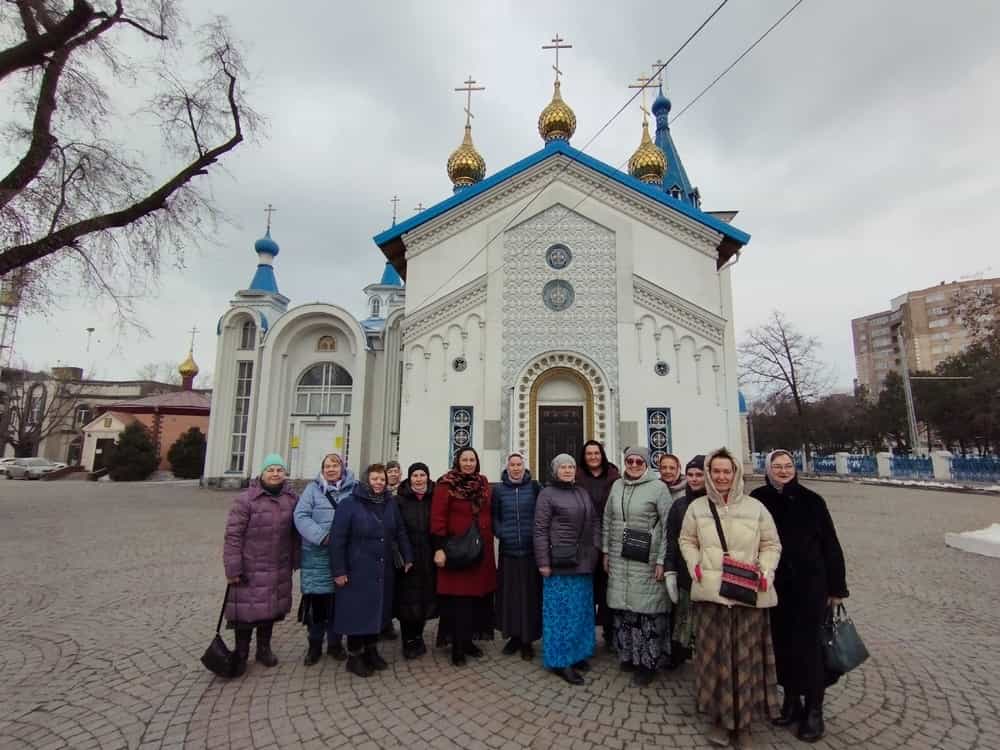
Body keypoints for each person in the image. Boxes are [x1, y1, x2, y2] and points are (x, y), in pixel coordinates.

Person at [679, 448, 782, 749]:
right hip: (712, 593)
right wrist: (694, 563)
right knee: (714, 659)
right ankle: (720, 718)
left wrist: (767, 570)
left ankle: (745, 723)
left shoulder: (755, 507)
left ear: (736, 473)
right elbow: (687, 539)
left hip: (747, 594)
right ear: (709, 474)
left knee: (746, 659)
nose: (721, 477)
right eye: (716, 472)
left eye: (727, 471)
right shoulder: (698, 507)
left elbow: (771, 543)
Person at [750, 450, 849, 743]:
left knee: (810, 649)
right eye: (777, 466)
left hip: (809, 586)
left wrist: (837, 588)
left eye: (788, 466)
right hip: (775, 586)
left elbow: (830, 544)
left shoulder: (812, 501)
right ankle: (791, 701)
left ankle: (815, 710)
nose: (783, 471)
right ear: (768, 469)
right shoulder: (759, 499)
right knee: (782, 645)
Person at [329, 463, 413, 677]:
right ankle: (355, 656)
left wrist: (407, 556)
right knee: (358, 613)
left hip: (382, 569)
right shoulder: (349, 504)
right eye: (375, 479)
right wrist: (339, 570)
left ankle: (371, 650)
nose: (379, 483)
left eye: (382, 480)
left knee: (378, 611)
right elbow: (338, 540)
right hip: (357, 569)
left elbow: (400, 531)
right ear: (367, 481)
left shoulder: (390, 504)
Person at [222, 453, 300, 676]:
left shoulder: (291, 499)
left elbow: (295, 532)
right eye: (271, 470)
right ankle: (241, 651)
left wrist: (296, 558)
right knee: (245, 611)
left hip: (277, 564)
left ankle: (264, 648)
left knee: (270, 608)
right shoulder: (246, 500)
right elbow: (233, 535)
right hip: (251, 565)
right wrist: (233, 567)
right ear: (262, 473)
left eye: (279, 470)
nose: (275, 474)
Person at [602, 446, 672, 686]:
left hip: (648, 557)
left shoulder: (658, 488)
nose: (633, 465)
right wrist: (606, 551)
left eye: (638, 461)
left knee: (647, 610)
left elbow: (667, 525)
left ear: (646, 463)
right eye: (629, 460)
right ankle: (629, 655)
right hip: (621, 556)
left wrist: (662, 559)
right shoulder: (617, 486)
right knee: (626, 608)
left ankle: (648, 662)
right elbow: (608, 519)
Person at [534, 453, 600, 685]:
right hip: (560, 562)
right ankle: (561, 661)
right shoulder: (547, 494)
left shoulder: (581, 491)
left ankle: (578, 653)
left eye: (571, 466)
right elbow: (540, 530)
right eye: (563, 466)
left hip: (583, 561)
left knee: (581, 611)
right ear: (554, 470)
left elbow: (594, 522)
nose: (568, 470)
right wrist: (543, 562)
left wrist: (596, 548)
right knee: (561, 614)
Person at [431, 447, 497, 666]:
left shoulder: (483, 482)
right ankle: (457, 647)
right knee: (459, 601)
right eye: (464, 460)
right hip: (457, 550)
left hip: (481, 550)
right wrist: (439, 548)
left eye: (472, 460)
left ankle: (468, 641)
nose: (469, 463)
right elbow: (438, 517)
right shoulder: (446, 484)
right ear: (457, 461)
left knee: (476, 600)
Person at [293, 453, 356, 665]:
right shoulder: (312, 489)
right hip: (317, 555)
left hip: (344, 555)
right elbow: (301, 516)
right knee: (318, 605)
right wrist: (322, 536)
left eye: (335, 465)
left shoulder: (353, 488)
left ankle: (335, 644)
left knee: (339, 603)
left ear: (342, 468)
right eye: (327, 466)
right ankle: (314, 645)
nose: (331, 469)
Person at [492, 452, 543, 660]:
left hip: (530, 552)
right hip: (509, 551)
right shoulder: (499, 490)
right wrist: (501, 532)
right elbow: (494, 515)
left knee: (529, 596)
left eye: (519, 464)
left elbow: (541, 514)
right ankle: (513, 636)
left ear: (524, 466)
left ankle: (527, 640)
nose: (515, 468)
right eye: (512, 465)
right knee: (510, 596)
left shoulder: (534, 488)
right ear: (507, 467)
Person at [575, 440, 620, 650]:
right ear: (584, 457)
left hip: (609, 538)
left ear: (602, 454)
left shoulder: (614, 477)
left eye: (596, 453)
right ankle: (585, 637)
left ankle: (611, 633)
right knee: (586, 588)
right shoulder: (577, 477)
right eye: (589, 453)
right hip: (584, 541)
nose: (593, 457)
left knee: (608, 588)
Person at [663, 454, 706, 669]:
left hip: (709, 571)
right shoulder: (679, 505)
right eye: (691, 475)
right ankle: (679, 653)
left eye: (699, 474)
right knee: (683, 614)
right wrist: (669, 570)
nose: (694, 479)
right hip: (683, 569)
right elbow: (671, 539)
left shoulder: (715, 503)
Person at [395, 462, 438, 659]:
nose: (419, 479)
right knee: (407, 599)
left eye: (422, 475)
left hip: (428, 556)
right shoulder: (400, 500)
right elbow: (396, 529)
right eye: (415, 475)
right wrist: (403, 555)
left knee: (424, 598)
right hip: (408, 557)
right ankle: (408, 639)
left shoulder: (434, 498)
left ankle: (418, 636)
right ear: (409, 478)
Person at [381, 460, 403, 640]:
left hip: (399, 544)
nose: (394, 474)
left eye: (396, 471)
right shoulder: (380, 492)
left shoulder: (404, 492)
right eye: (391, 471)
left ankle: (390, 621)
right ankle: (384, 623)